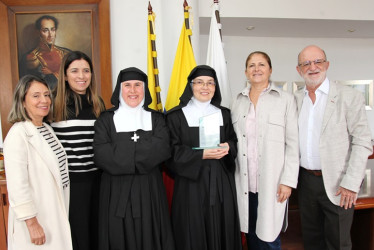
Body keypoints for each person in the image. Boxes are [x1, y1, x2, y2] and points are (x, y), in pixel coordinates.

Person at [295, 45, 373, 250]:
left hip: (340, 184)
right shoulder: (294, 100)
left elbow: (363, 141)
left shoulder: (349, 97)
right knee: (311, 241)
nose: (313, 67)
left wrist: (351, 183)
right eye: (306, 63)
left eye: (318, 61)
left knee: (338, 243)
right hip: (305, 182)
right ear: (299, 69)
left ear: (327, 64)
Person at [93, 67, 175, 250]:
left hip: (149, 190)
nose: (133, 90)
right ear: (119, 89)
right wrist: (143, 149)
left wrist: (120, 151)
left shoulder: (157, 119)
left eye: (138, 85)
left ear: (144, 89)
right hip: (115, 191)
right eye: (127, 85)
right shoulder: (105, 120)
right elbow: (101, 155)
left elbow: (162, 149)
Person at [166, 65, 242, 250]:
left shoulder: (224, 113)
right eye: (199, 82)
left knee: (222, 226)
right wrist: (201, 154)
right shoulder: (175, 116)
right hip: (191, 184)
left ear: (215, 87)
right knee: (192, 229)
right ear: (190, 86)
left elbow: (233, 141)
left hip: (221, 182)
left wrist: (228, 147)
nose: (205, 87)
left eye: (210, 83)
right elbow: (170, 152)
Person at [231, 51, 299, 249]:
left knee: (269, 238)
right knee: (250, 235)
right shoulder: (237, 101)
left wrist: (287, 181)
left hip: (272, 183)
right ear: (245, 72)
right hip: (244, 183)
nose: (256, 69)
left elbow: (293, 145)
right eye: (252, 65)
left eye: (261, 64)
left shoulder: (285, 100)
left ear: (270, 70)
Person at [3, 75, 72, 249]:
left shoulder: (45, 128)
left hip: (53, 212)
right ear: (22, 101)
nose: (44, 100)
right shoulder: (18, 134)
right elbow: (18, 187)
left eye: (47, 95)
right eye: (36, 96)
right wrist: (32, 223)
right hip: (36, 219)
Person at [51, 51, 105, 250]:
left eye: (86, 71)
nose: (81, 76)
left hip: (99, 180)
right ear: (65, 75)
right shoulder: (53, 104)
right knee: (77, 236)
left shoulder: (98, 104)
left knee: (98, 233)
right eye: (74, 71)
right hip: (71, 183)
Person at [20, 15, 71, 89]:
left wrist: (52, 73)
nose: (50, 35)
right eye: (45, 30)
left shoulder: (66, 53)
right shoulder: (30, 58)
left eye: (52, 30)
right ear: (38, 32)